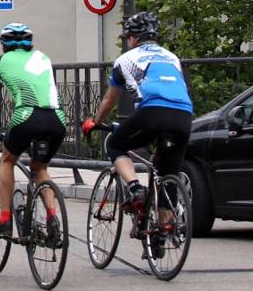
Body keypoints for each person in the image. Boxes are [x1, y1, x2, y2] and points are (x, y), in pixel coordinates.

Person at [82, 11, 193, 218]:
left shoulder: (125, 60)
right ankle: (164, 230)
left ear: (133, 38)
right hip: (184, 115)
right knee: (167, 172)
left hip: (152, 113)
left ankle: (135, 188)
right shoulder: (172, 58)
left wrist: (95, 122)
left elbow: (109, 99)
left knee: (115, 144)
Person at [0, 22, 67, 242]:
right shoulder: (44, 58)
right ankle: (53, 218)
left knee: (7, 159)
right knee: (40, 167)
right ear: (30, 44)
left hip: (27, 117)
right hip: (57, 119)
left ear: (3, 45)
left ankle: (4, 219)